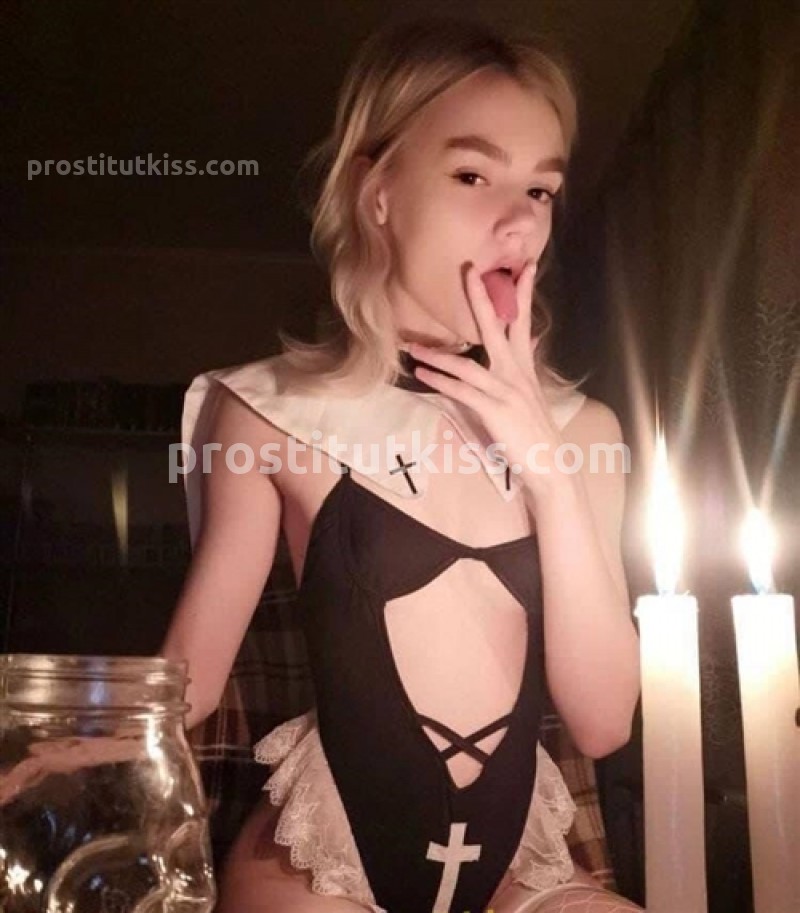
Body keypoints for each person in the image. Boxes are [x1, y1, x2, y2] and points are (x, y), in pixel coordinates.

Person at [161, 15, 643, 913]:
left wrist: (547, 469)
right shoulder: (267, 412)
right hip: (318, 859)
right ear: (376, 191)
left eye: (540, 189)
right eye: (472, 175)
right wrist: (60, 741)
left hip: (519, 868)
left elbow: (604, 720)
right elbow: (182, 687)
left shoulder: (584, 430)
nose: (517, 221)